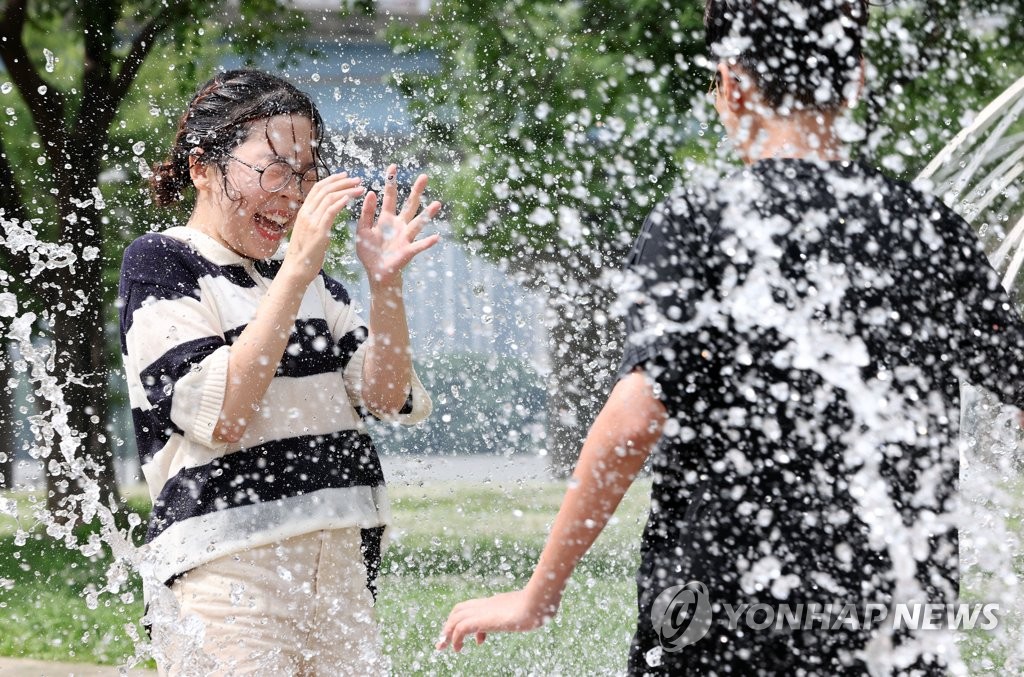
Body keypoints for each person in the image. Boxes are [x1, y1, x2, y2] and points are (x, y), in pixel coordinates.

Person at [436, 0, 1024, 674]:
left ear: (732, 84)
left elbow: (633, 423)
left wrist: (537, 594)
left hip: (722, 620)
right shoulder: (926, 227)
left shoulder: (700, 222)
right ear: (856, 77)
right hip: (895, 619)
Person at [119, 69, 439, 675]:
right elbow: (224, 414)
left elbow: (388, 396)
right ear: (203, 168)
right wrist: (295, 271)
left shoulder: (317, 287)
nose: (294, 194)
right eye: (274, 168)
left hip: (341, 559)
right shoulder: (164, 263)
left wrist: (385, 284)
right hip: (228, 569)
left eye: (306, 171)